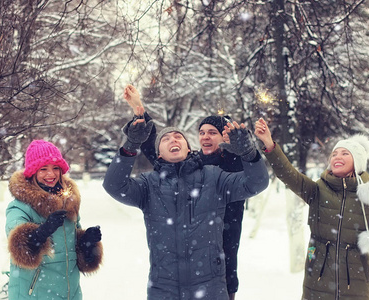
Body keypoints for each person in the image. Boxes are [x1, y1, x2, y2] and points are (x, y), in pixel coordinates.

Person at [102, 108, 269, 300]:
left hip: (210, 288)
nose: (173, 140)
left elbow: (257, 183)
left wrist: (249, 153)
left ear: (188, 148)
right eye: (166, 139)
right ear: (159, 155)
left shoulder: (214, 177)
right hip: (163, 288)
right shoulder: (148, 185)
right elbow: (113, 185)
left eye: (178, 137)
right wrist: (130, 144)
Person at [253, 117, 369, 299]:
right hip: (317, 282)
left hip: (357, 287)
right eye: (334, 153)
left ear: (358, 161)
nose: (337, 157)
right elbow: (288, 174)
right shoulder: (317, 190)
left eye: (345, 153)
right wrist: (269, 144)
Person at [122, 84, 245, 299]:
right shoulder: (191, 163)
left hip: (222, 263)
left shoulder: (232, 165)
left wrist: (237, 145)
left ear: (225, 137)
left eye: (213, 133)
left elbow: (251, 177)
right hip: (187, 265)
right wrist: (140, 111)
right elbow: (155, 148)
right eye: (202, 133)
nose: (205, 137)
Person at [5, 140, 103, 300]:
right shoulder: (20, 206)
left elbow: (75, 248)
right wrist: (41, 232)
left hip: (70, 293)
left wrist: (87, 241)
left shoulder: (68, 203)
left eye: (55, 168)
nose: (51, 174)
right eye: (43, 169)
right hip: (35, 294)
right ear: (33, 172)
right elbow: (17, 242)